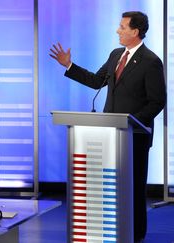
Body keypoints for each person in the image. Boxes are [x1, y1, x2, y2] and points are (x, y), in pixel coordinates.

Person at [49, 11, 166, 242]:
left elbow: (157, 101)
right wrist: (69, 65)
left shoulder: (151, 61)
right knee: (109, 190)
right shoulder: (115, 55)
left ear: (135, 31)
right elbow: (96, 80)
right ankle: (109, 230)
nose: (117, 31)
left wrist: (133, 124)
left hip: (135, 138)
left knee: (133, 191)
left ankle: (135, 235)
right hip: (109, 136)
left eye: (122, 27)